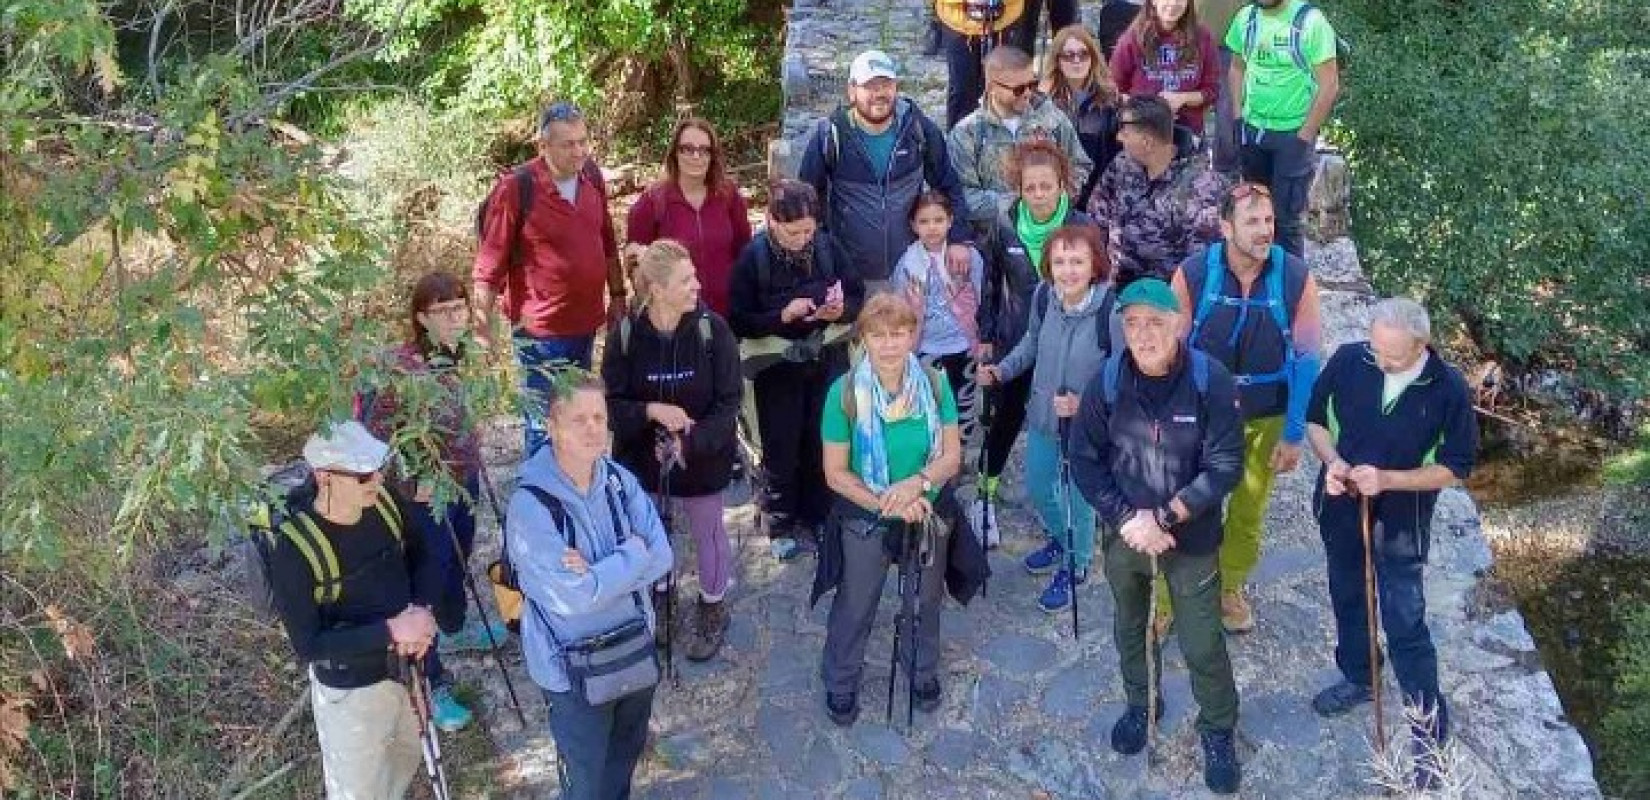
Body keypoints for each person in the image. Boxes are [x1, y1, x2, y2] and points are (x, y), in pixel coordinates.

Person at [1068, 278, 1245, 795]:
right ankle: (1140, 702)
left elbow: (1226, 464)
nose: (1142, 334)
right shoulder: (1104, 384)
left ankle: (1218, 728)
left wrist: (1165, 517)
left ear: (1178, 325)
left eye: (1154, 322)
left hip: (1189, 534)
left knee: (1201, 638)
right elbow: (1084, 460)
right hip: (1126, 531)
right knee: (1130, 623)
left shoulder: (1211, 382)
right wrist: (1128, 520)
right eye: (1132, 323)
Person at [1305, 298, 1478, 791]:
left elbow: (1455, 466)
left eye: (1393, 356)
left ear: (1422, 346)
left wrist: (1389, 479)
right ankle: (1361, 676)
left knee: (1405, 620)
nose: (1380, 362)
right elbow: (1316, 421)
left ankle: (1428, 731)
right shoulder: (1350, 359)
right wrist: (1333, 463)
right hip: (1341, 509)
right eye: (1377, 349)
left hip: (1402, 522)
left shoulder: (1447, 390)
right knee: (1348, 597)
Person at [507, 370, 674, 800]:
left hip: (632, 649)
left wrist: (597, 573)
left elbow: (664, 557)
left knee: (622, 763)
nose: (591, 428)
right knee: (584, 780)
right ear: (553, 427)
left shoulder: (620, 480)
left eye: (598, 417)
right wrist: (632, 554)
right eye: (578, 419)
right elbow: (573, 597)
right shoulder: (530, 507)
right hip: (572, 670)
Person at [362, 271, 512, 734]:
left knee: (458, 561)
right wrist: (410, 483)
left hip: (461, 481)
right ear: (420, 317)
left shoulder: (456, 355)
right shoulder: (398, 369)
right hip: (424, 498)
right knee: (427, 578)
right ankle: (432, 680)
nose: (455, 317)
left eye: (460, 308)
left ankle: (454, 626)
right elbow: (374, 436)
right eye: (443, 311)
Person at [1169, 182, 1321, 633]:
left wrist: (1295, 434)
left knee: (1249, 508)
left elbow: (1308, 358)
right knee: (1188, 503)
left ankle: (1229, 587)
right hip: (1201, 415)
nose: (1263, 231)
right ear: (1225, 227)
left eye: (1269, 220)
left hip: (1266, 414)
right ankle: (1165, 599)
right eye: (1252, 221)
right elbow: (1168, 351)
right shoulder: (1194, 273)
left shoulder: (1295, 277)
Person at [814, 293, 966, 725]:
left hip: (926, 507)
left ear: (913, 335)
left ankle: (921, 670)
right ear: (862, 339)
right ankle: (841, 681)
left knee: (924, 599)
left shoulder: (935, 385)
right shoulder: (843, 394)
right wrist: (890, 503)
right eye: (878, 335)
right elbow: (836, 473)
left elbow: (951, 457)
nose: (889, 345)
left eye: (898, 333)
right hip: (867, 515)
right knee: (856, 602)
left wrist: (915, 486)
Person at [270, 420, 441, 799]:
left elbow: (424, 554)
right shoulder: (294, 549)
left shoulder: (383, 501)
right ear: (324, 477)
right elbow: (309, 644)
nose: (377, 481)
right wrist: (394, 631)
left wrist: (422, 611)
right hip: (351, 695)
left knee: (407, 758)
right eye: (364, 475)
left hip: (408, 670)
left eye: (379, 469)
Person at [602, 240, 743, 662]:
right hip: (644, 462)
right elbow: (608, 405)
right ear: (658, 289)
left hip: (702, 458)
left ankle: (713, 604)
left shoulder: (712, 331)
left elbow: (729, 402)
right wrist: (651, 410)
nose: (697, 285)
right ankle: (661, 600)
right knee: (652, 534)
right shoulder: (626, 335)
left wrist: (693, 441)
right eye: (686, 280)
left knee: (708, 533)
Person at [474, 102, 628, 456]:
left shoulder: (591, 176)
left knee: (578, 417)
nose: (579, 152)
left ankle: (574, 493)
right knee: (544, 425)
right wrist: (482, 334)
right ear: (543, 147)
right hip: (539, 334)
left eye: (583, 142)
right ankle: (541, 501)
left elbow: (605, 241)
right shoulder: (517, 188)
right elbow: (488, 267)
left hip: (586, 324)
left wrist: (618, 295)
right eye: (567, 144)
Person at [977, 225, 1117, 613]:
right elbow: (1031, 344)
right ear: (1048, 267)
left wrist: (1085, 403)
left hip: (1087, 427)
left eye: (1077, 262)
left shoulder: (1111, 310)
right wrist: (1002, 371)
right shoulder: (1043, 297)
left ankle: (1078, 560)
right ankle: (1062, 537)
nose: (1068, 271)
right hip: (1043, 414)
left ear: (1094, 266)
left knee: (1079, 497)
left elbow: (1122, 374)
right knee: (1040, 486)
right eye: (1060, 262)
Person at [729, 180, 866, 557]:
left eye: (809, 230)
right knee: (780, 444)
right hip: (777, 367)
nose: (803, 238)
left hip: (826, 358)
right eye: (794, 232)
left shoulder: (826, 246)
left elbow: (856, 294)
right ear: (772, 221)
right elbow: (739, 321)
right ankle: (779, 523)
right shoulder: (752, 259)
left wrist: (842, 310)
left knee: (824, 438)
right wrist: (781, 316)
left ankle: (819, 515)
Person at [976, 141, 1099, 537]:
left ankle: (1071, 512)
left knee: (1067, 423)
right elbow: (991, 283)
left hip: (1068, 345)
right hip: (1015, 341)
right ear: (1019, 188)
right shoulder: (1005, 222)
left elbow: (1099, 283)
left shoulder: (1082, 225)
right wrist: (985, 336)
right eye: (1030, 188)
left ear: (1063, 184)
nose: (1039, 195)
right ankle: (985, 494)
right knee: (1002, 421)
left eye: (1047, 186)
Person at [800, 50, 975, 293]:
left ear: (896, 87)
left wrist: (958, 238)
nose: (880, 93)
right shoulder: (830, 136)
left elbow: (948, 184)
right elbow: (806, 201)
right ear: (852, 90)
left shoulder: (917, 129)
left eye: (886, 84)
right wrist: (823, 258)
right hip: (851, 274)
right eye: (870, 86)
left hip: (912, 267)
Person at [1226, 0, 1341, 257]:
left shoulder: (1311, 22)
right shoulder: (1246, 18)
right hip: (1252, 130)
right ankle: (1257, 274)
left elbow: (1329, 84)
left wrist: (1305, 135)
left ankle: (1290, 288)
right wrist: (1237, 114)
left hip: (1292, 134)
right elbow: (1236, 66)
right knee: (1254, 211)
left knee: (1286, 219)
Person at [948, 46, 1093, 232]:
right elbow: (963, 196)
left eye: (1032, 84)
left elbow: (1080, 165)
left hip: (1051, 231)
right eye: (1018, 89)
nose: (1027, 93)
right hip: (995, 237)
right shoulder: (967, 133)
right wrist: (1020, 201)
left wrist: (1058, 197)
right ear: (992, 87)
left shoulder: (1053, 119)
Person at [1089, 95, 1227, 287]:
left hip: (1167, 295)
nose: (1119, 138)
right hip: (1115, 284)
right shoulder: (1122, 164)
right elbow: (1096, 216)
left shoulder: (1201, 187)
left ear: (1147, 142)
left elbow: (1200, 266)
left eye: (1126, 133)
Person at [623, 118, 752, 318]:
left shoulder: (728, 196)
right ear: (675, 153)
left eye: (704, 150)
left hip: (726, 317)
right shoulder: (652, 202)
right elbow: (635, 265)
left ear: (712, 156)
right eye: (687, 148)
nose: (696, 156)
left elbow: (744, 252)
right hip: (675, 320)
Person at [889, 191, 984, 397]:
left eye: (938, 220)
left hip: (964, 344)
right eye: (924, 221)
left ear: (950, 221)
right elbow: (899, 309)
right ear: (914, 225)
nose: (932, 227)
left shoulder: (969, 257)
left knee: (965, 404)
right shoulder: (907, 264)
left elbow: (983, 297)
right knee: (931, 403)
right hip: (927, 347)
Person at [1040, 25, 1124, 210]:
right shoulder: (1045, 101)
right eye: (1068, 55)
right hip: (1056, 194)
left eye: (1083, 54)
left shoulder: (1110, 98)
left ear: (1093, 58)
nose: (1077, 61)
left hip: (1100, 193)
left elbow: (1118, 152)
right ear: (1058, 60)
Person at [1109, 0, 1221, 133]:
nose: (1173, 4)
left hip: (1187, 130)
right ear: (1153, 2)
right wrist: (1150, 109)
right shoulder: (1132, 38)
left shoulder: (1203, 37)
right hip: (1143, 131)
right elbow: (1113, 89)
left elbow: (1212, 90)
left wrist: (1182, 98)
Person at [932, 0, 1031, 129]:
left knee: (1006, 88)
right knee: (962, 89)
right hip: (958, 22)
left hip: (1004, 19)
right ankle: (958, 142)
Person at [1196, 0, 1249, 176]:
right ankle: (1193, 168)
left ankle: (1225, 174)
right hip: (1192, 44)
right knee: (1188, 109)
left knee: (1227, 112)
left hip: (1230, 47)